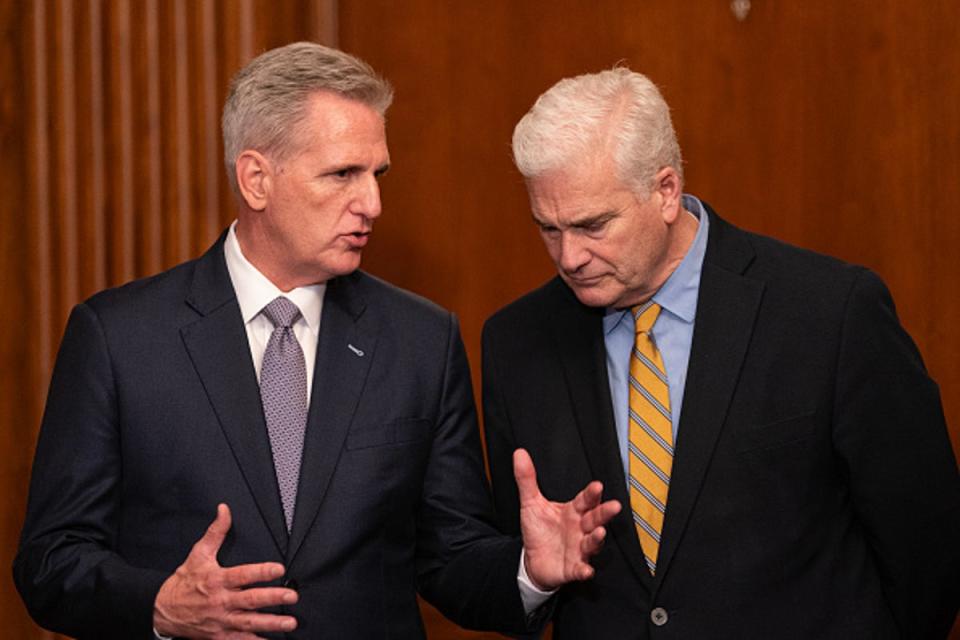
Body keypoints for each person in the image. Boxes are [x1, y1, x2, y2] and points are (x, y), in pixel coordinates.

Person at [13, 42, 620, 639]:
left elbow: (450, 558)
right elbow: (50, 562)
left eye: (376, 174)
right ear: (256, 180)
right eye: (342, 174)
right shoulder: (120, 337)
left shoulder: (421, 341)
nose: (373, 204)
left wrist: (528, 573)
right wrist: (161, 606)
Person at [482, 66, 960, 638]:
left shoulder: (829, 313)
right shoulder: (517, 342)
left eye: (592, 225)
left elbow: (928, 548)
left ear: (665, 191)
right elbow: (511, 559)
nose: (569, 256)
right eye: (548, 228)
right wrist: (533, 578)